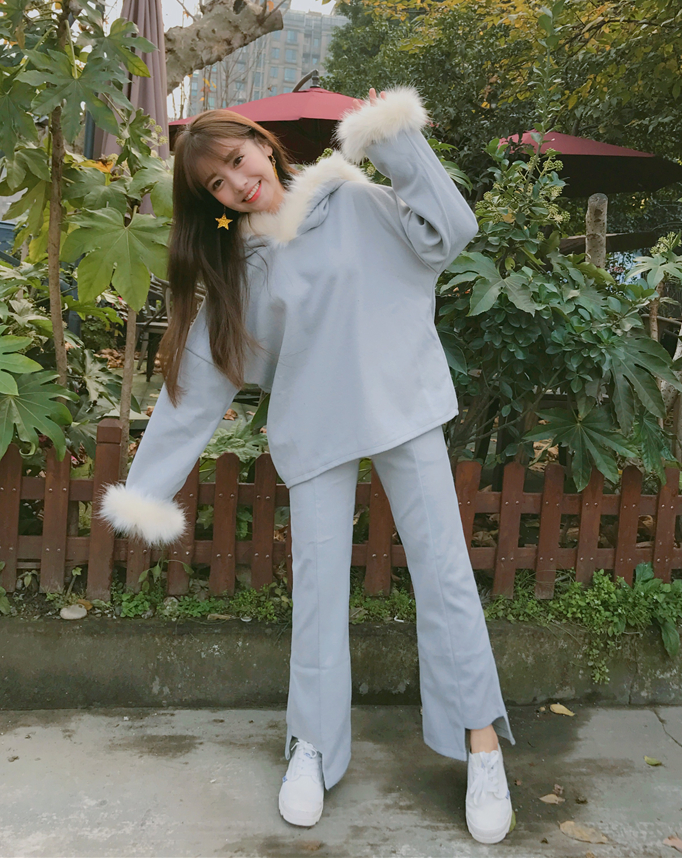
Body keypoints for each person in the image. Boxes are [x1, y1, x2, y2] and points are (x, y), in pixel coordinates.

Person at [101, 86, 516, 844]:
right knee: (318, 593)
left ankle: (481, 741)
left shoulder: (352, 202)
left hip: (402, 404)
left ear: (263, 145)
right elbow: (198, 382)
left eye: (238, 160)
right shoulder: (237, 265)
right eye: (216, 183)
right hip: (315, 427)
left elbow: (450, 231)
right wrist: (146, 490)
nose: (237, 183)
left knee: (445, 574)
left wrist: (389, 137)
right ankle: (312, 747)